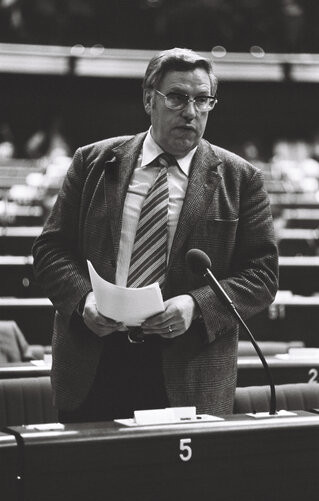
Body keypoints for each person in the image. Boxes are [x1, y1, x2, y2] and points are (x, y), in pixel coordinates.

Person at [32, 47, 278, 423]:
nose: (191, 112)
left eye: (202, 100)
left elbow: (261, 276)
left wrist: (196, 306)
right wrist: (83, 303)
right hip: (95, 359)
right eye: (178, 97)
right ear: (149, 99)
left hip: (188, 368)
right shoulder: (93, 161)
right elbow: (50, 251)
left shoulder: (240, 179)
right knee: (90, 479)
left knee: (177, 483)